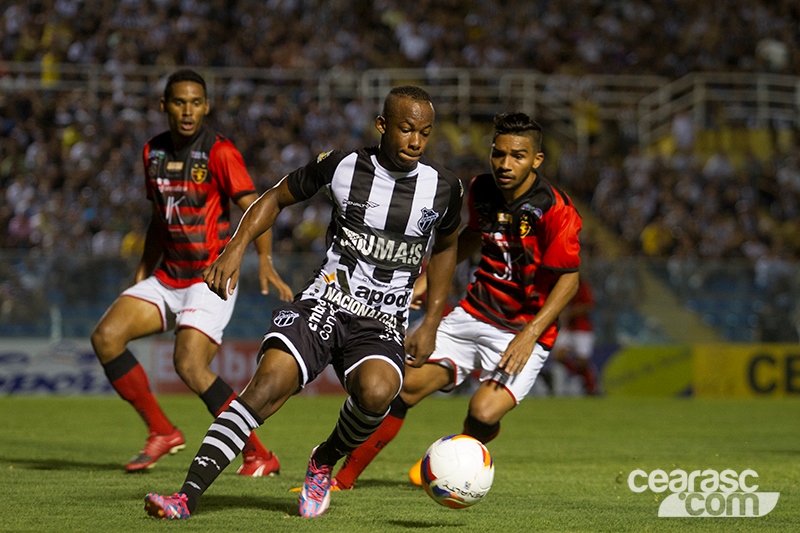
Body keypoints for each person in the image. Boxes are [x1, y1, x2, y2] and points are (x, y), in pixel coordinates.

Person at [143, 85, 463, 519]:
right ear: (383, 126)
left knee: (379, 393)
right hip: (324, 302)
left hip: (383, 320)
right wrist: (236, 247)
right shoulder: (342, 166)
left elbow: (446, 246)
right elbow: (275, 196)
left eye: (425, 133)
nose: (415, 142)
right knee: (267, 387)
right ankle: (186, 497)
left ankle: (324, 460)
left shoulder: (444, 187)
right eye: (406, 130)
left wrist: (430, 320)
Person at [330, 112, 582, 491]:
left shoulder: (555, 209)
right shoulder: (481, 189)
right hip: (473, 314)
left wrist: (529, 334)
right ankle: (343, 480)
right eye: (499, 154)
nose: (505, 164)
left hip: (523, 330)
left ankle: (460, 456)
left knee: (482, 413)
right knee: (405, 388)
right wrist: (425, 281)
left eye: (517, 156)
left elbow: (570, 279)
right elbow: (472, 237)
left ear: (537, 160)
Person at [90, 69, 293, 476]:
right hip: (168, 277)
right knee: (107, 337)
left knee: (189, 365)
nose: (188, 111)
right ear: (164, 105)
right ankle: (162, 432)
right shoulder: (153, 152)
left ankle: (258, 453)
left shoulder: (219, 151)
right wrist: (144, 269)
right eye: (179, 102)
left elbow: (256, 206)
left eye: (196, 102)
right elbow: (157, 219)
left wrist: (264, 260)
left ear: (206, 106)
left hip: (210, 278)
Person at [547, 277, 598, 395]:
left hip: (582, 328)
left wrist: (570, 313)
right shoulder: (560, 285)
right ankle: (579, 376)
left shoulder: (583, 286)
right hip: (568, 328)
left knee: (582, 361)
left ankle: (591, 387)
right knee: (558, 355)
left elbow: (589, 306)